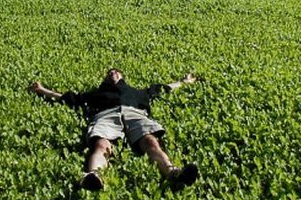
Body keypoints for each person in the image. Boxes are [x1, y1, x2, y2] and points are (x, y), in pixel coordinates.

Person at [29, 68, 199, 191]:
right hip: (106, 115)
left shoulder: (137, 92)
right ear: (105, 80)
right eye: (109, 73)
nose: (113, 74)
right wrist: (41, 89)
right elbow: (66, 98)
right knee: (101, 145)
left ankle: (173, 173)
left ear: (122, 77)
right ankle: (92, 176)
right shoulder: (95, 94)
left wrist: (185, 82)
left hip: (135, 114)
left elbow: (164, 88)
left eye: (116, 72)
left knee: (150, 141)